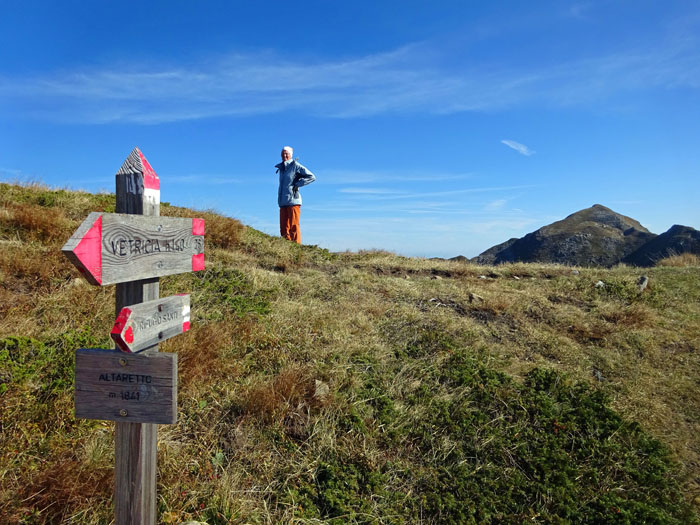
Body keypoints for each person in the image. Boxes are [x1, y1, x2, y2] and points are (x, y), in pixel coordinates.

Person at [275, 146, 315, 244]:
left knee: (293, 225)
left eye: (286, 153)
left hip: (293, 200)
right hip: (283, 202)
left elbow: (311, 177)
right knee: (284, 227)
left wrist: (298, 184)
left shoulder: (295, 165)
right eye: (283, 153)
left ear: (290, 155)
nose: (284, 155)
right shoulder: (281, 168)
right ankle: (286, 247)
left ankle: (297, 247)